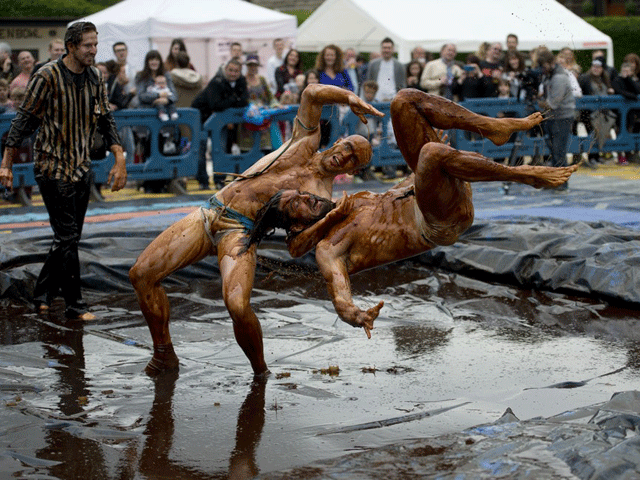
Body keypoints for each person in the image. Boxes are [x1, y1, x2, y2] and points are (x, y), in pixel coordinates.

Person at [264, 89, 577, 335]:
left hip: (430, 189)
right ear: (294, 224)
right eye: (298, 204)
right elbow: (340, 294)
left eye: (302, 195)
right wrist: (355, 315)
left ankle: (491, 127)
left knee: (404, 102)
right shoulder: (329, 248)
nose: (308, 199)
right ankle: (523, 175)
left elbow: (394, 195)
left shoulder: (351, 200)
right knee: (430, 153)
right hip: (436, 223)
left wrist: (424, 169)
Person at [128, 83, 383, 377]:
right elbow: (312, 93)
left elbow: (296, 247)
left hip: (240, 232)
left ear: (351, 172)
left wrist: (327, 220)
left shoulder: (322, 199)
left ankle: (260, 371)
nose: (346, 156)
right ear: (337, 141)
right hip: (211, 211)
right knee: (141, 274)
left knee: (237, 305)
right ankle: (164, 354)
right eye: (348, 147)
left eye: (354, 160)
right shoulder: (304, 141)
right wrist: (348, 97)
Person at [0, 21, 127, 320]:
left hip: (81, 166)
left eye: (96, 45)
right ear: (71, 47)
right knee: (68, 237)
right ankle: (74, 304)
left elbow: (106, 118)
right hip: (51, 166)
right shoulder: (47, 76)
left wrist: (119, 156)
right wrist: (6, 163)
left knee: (68, 238)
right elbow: (23, 120)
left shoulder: (96, 76)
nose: (94, 51)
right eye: (88, 45)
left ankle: (42, 293)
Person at [191, 58, 248, 189]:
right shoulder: (216, 82)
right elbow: (215, 104)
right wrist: (234, 99)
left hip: (220, 121)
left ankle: (219, 179)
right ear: (226, 69)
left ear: (240, 72)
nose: (233, 73)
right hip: (202, 117)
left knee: (220, 148)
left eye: (236, 71)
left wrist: (230, 101)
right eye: (231, 70)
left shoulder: (241, 81)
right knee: (201, 148)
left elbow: (244, 101)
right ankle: (203, 181)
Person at [537, 49, 576, 187]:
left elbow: (553, 103)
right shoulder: (551, 75)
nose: (542, 69)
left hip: (562, 117)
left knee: (559, 151)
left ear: (550, 63)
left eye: (543, 65)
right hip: (555, 117)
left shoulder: (559, 77)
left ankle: (562, 183)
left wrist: (537, 102)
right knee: (553, 151)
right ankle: (555, 181)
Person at [365, 37, 406, 102]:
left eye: (389, 48)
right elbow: (369, 82)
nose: (386, 50)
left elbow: (402, 84)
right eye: (384, 48)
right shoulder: (373, 64)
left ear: (393, 49)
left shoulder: (399, 65)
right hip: (376, 99)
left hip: (393, 99)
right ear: (381, 49)